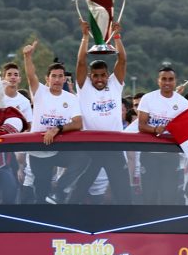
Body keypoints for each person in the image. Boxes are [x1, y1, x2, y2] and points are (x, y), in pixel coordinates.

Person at [70, 20, 131, 204]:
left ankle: (127, 221)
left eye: (102, 75)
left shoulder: (115, 84)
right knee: (81, 187)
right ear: (90, 76)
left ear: (107, 75)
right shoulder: (84, 86)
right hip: (91, 145)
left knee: (122, 189)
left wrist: (117, 36)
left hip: (114, 144)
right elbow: (81, 61)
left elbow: (122, 60)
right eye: (95, 75)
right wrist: (85, 37)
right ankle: (67, 214)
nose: (99, 79)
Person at [23, 40, 87, 205]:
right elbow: (30, 75)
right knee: (41, 191)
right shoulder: (40, 92)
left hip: (59, 149)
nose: (58, 80)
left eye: (61, 76)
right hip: (39, 150)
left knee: (83, 158)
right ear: (47, 78)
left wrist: (57, 129)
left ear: (65, 79)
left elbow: (78, 123)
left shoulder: (71, 99)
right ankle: (41, 216)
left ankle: (60, 189)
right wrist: (27, 56)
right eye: (54, 76)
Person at [137, 66, 188, 204]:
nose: (167, 82)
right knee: (149, 196)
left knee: (169, 197)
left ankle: (166, 225)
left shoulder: (183, 103)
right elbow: (141, 126)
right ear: (158, 81)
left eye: (170, 79)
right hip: (149, 154)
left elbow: (185, 129)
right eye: (164, 79)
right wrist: (155, 130)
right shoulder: (148, 98)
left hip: (170, 156)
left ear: (175, 81)